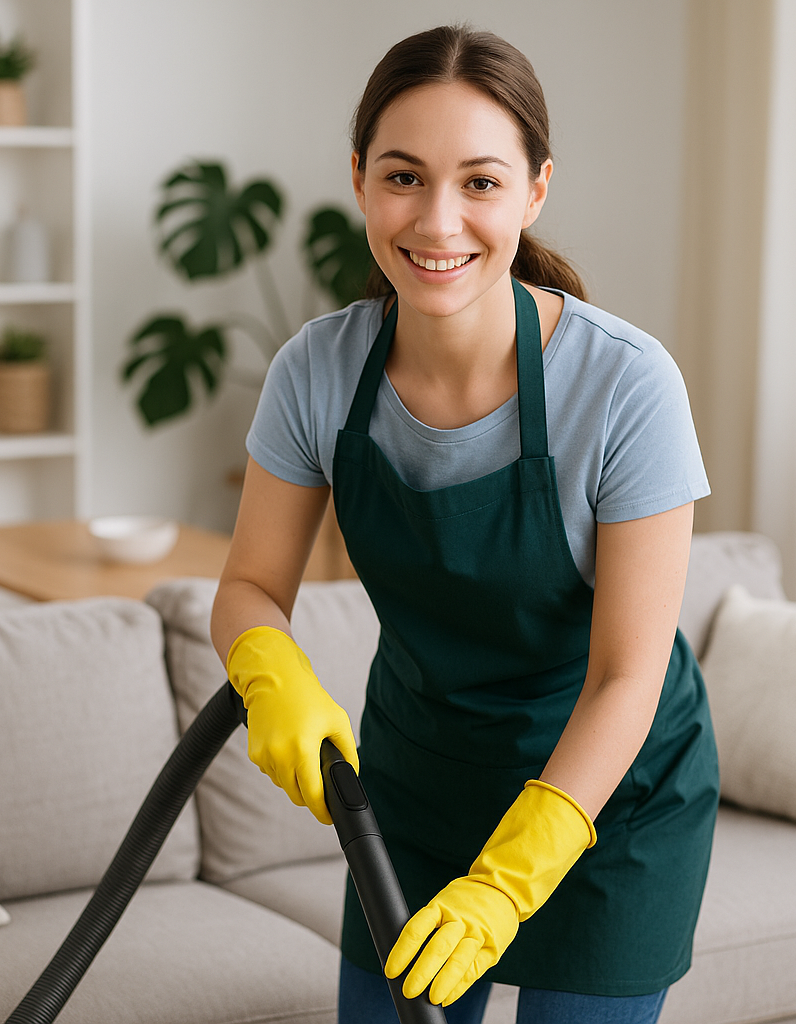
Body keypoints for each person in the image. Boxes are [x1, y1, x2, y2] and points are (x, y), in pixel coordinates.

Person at [211, 24, 719, 1024]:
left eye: (480, 183)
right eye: (404, 176)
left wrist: (516, 870)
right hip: (420, 787)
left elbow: (630, 671)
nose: (438, 221)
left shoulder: (623, 386)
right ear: (359, 178)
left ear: (533, 191)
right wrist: (269, 670)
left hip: (606, 804)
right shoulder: (315, 373)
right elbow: (248, 584)